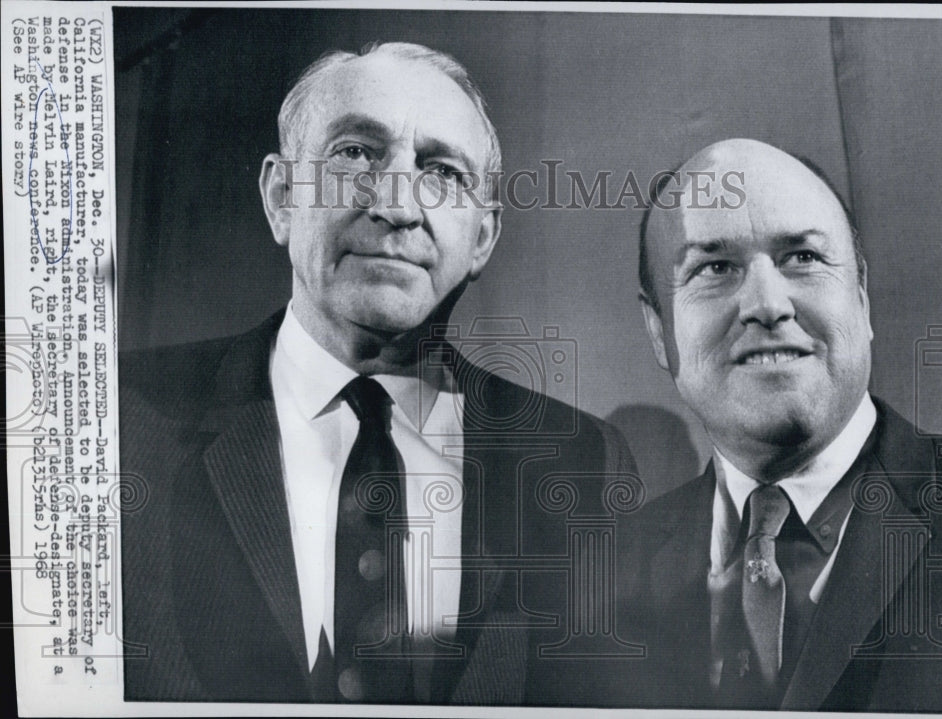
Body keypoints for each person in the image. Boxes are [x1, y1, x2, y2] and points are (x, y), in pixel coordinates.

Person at [119, 42, 636, 705]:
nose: (397, 204)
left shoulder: (580, 461)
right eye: (356, 154)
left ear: (482, 238)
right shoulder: (116, 420)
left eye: (442, 171)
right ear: (281, 198)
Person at [612, 138, 942, 711]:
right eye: (715, 268)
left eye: (803, 258)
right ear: (657, 331)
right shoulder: (601, 576)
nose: (767, 304)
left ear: (861, 298)